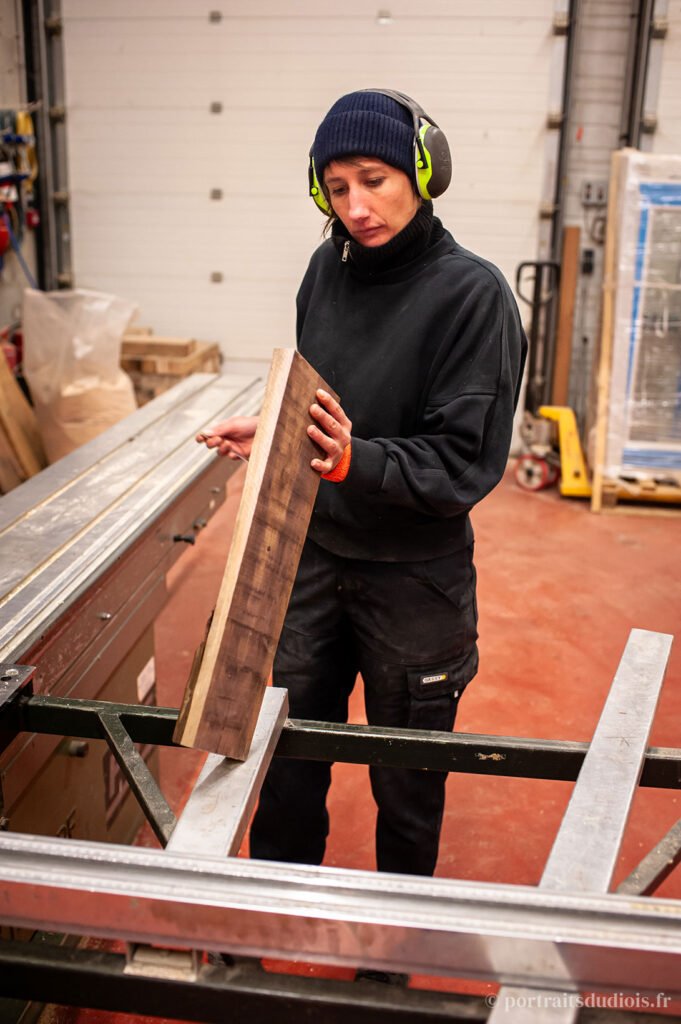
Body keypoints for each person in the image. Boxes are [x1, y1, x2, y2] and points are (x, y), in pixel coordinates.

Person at [198, 89, 527, 878]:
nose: (357, 206)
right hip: (313, 561)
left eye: (374, 180)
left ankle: (392, 959)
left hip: (414, 585)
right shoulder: (325, 271)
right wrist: (281, 428)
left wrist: (357, 462)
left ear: (421, 173)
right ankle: (271, 929)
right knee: (283, 762)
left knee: (406, 783)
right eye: (337, 186)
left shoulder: (471, 296)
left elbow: (461, 466)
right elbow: (326, 401)